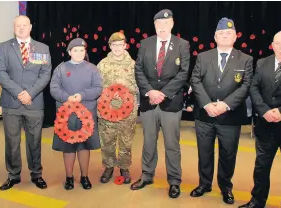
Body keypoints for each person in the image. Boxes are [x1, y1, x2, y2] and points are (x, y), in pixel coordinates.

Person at [239, 30, 281, 208]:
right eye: (278, 43)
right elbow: (254, 89)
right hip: (266, 126)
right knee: (261, 168)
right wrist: (264, 111)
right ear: (272, 45)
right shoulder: (263, 63)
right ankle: (257, 201)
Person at [190, 17, 253, 204]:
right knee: (204, 152)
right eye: (221, 34)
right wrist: (207, 104)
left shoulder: (246, 59)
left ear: (235, 37)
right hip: (204, 115)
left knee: (228, 154)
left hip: (230, 115)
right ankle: (204, 184)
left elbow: (246, 85)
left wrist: (225, 105)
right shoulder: (203, 56)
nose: (225, 36)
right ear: (215, 37)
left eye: (229, 33)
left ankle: (226, 187)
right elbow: (195, 80)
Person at [131, 9, 190, 199]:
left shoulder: (182, 44)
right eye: (159, 24)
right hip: (149, 102)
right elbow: (138, 69)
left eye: (166, 24)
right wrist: (150, 91)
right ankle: (147, 175)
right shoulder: (145, 44)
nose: (162, 28)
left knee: (172, 144)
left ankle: (174, 180)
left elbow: (183, 72)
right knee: (148, 142)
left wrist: (163, 93)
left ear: (172, 24)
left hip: (170, 102)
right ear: (155, 25)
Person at [0, 15, 51, 191]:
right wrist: (20, 93)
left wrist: (30, 93)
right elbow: (0, 73)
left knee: (34, 141)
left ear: (30, 26)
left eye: (24, 25)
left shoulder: (42, 48)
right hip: (11, 103)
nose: (21, 28)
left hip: (34, 103)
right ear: (14, 27)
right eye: (17, 25)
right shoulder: (4, 47)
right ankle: (13, 175)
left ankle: (36, 174)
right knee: (12, 142)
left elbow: (45, 74)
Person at [50, 38, 103, 190]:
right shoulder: (61, 68)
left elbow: (98, 88)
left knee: (84, 146)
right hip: (66, 115)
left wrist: (82, 95)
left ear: (85, 52)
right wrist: (66, 97)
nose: (79, 53)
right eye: (75, 50)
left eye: (82, 50)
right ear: (69, 52)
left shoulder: (92, 68)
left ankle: (84, 176)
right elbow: (54, 88)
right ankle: (69, 177)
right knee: (68, 147)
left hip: (87, 114)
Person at [97, 32, 138, 184]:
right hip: (107, 111)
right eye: (114, 45)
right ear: (110, 46)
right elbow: (96, 86)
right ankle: (108, 167)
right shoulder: (102, 64)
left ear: (125, 45)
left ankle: (124, 167)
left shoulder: (133, 65)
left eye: (120, 45)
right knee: (107, 141)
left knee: (126, 141)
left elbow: (138, 86)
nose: (117, 48)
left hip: (127, 112)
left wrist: (125, 91)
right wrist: (108, 93)